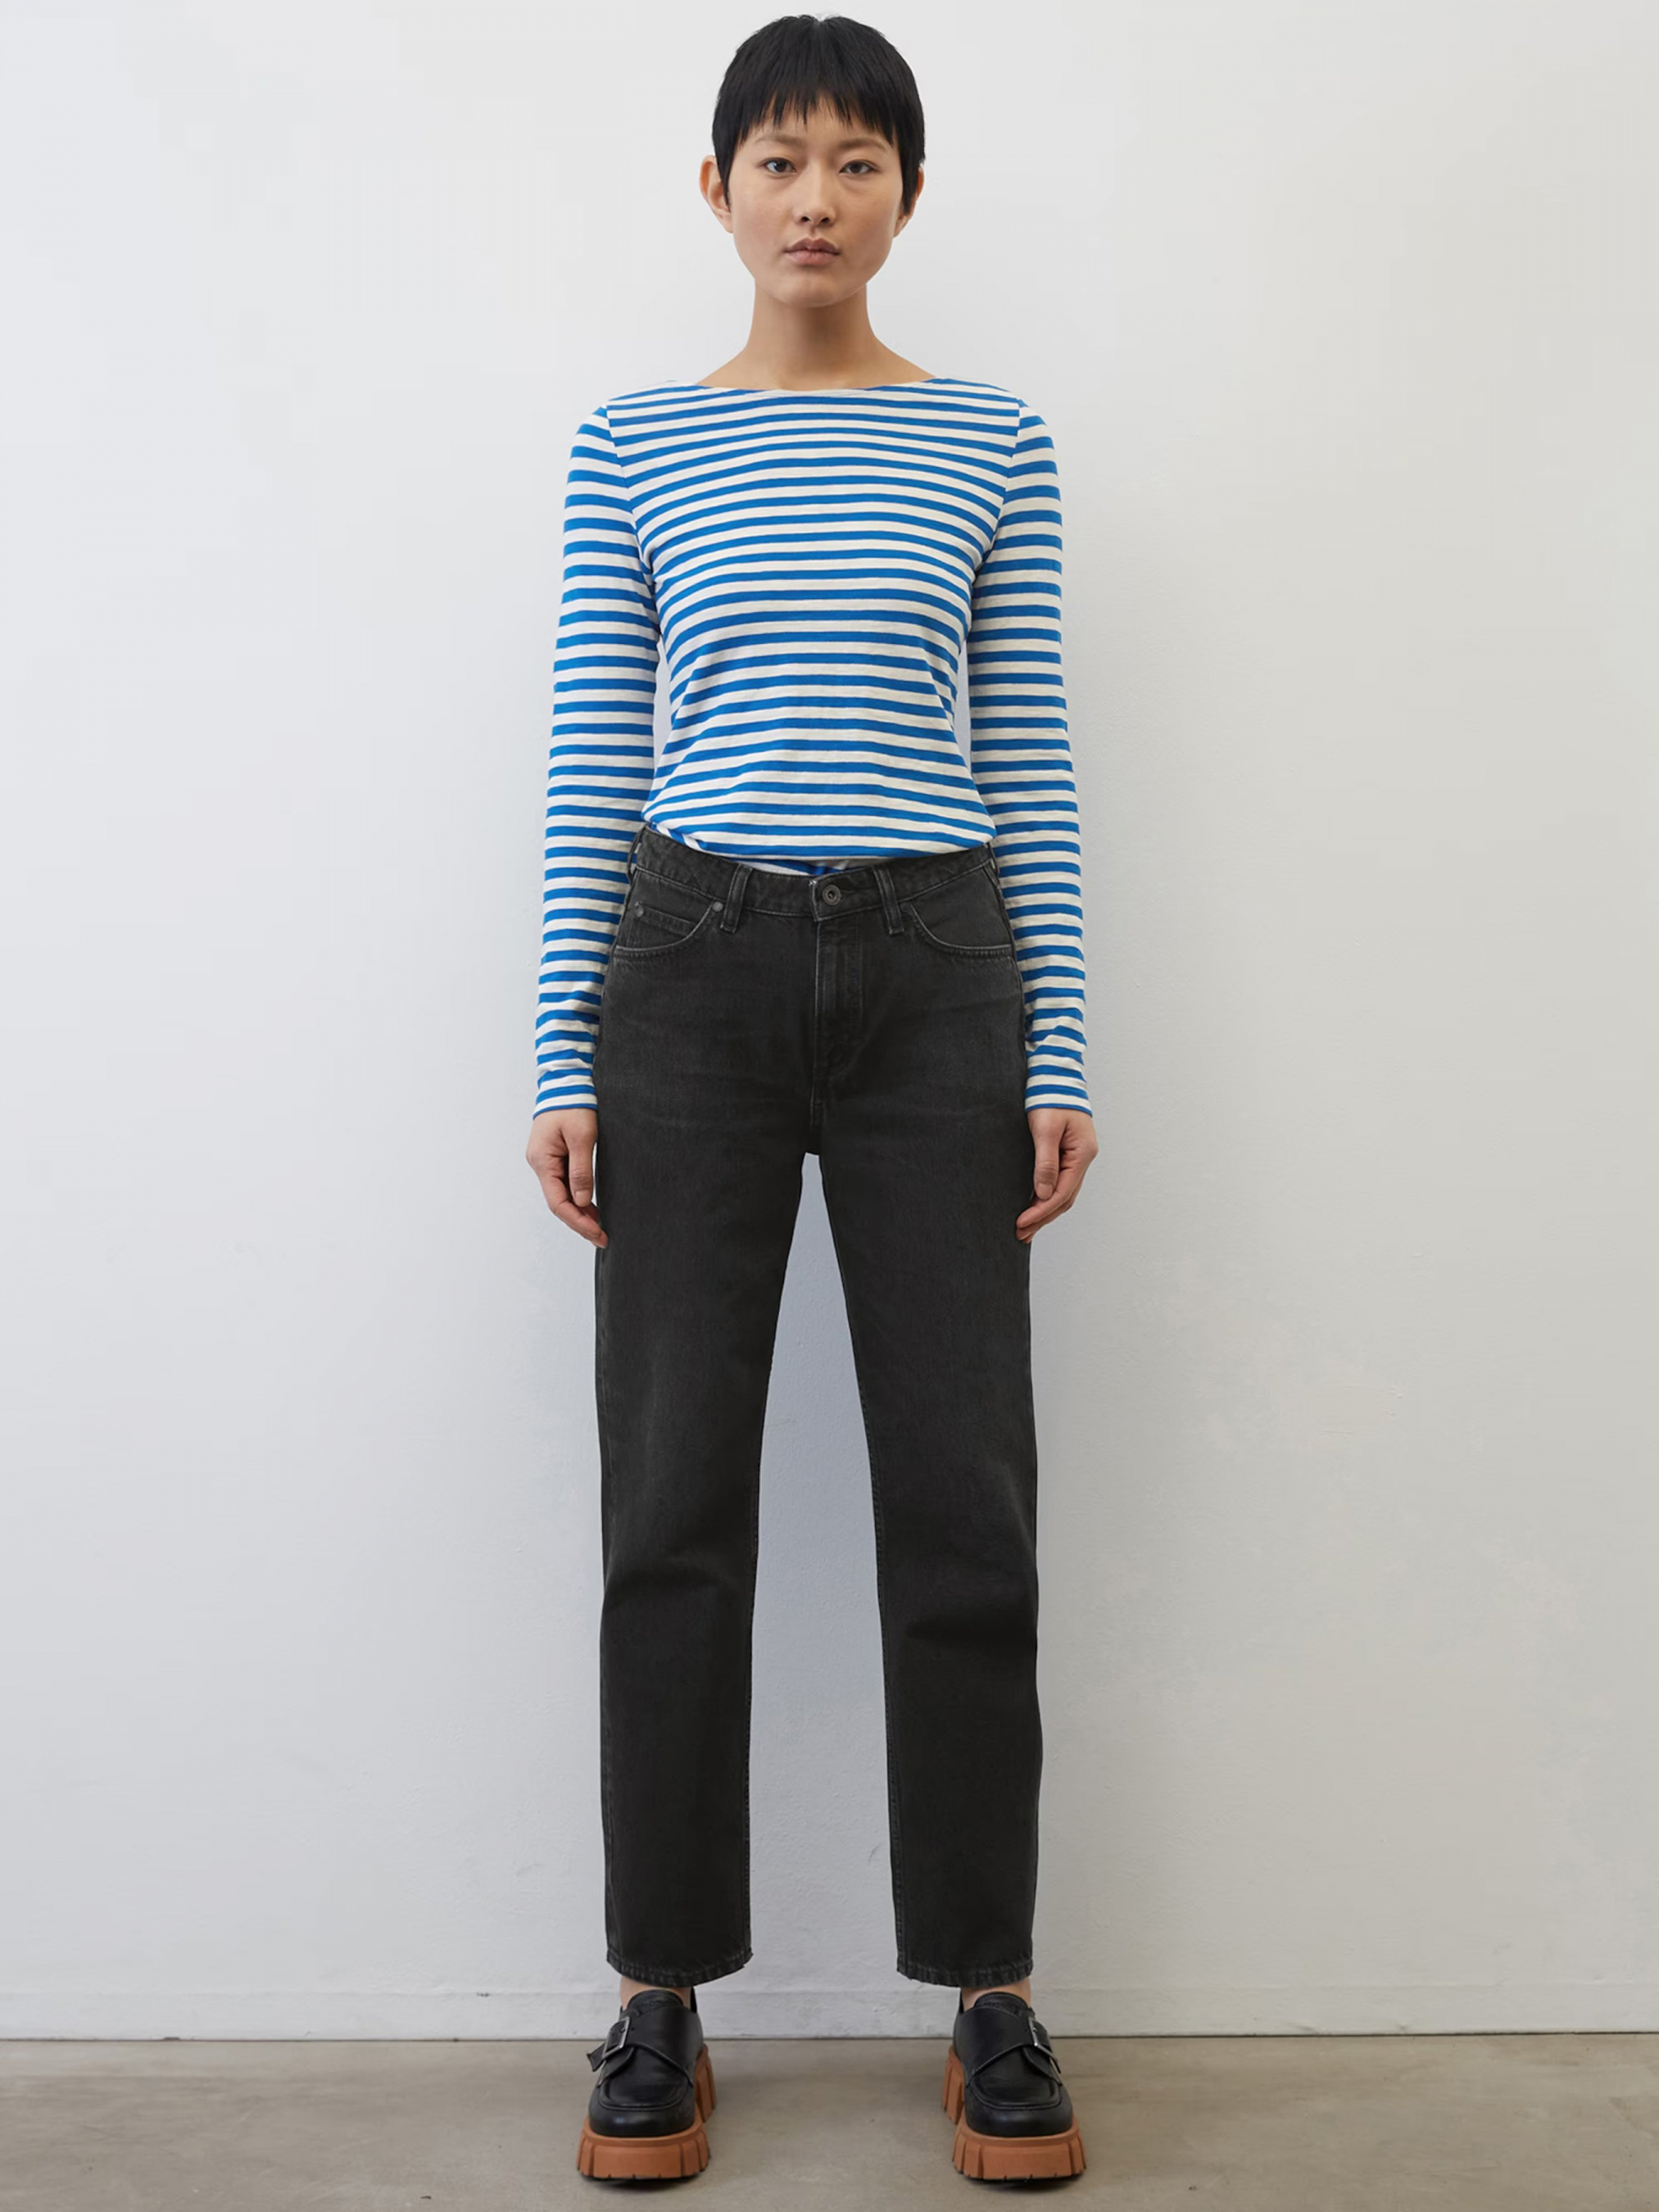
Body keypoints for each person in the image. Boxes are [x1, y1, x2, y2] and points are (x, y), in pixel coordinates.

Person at [525, 11, 1097, 2184]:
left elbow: (1024, 749)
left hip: (939, 975)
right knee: (671, 1495)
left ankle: (991, 1992)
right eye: (778, 160)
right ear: (717, 189)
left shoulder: (993, 440)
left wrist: (1058, 1041)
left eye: (857, 162)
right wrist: (561, 1046)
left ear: (907, 197)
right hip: (689, 971)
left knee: (963, 1493)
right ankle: (658, 1991)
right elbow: (597, 749)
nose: (815, 198)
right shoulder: (635, 445)